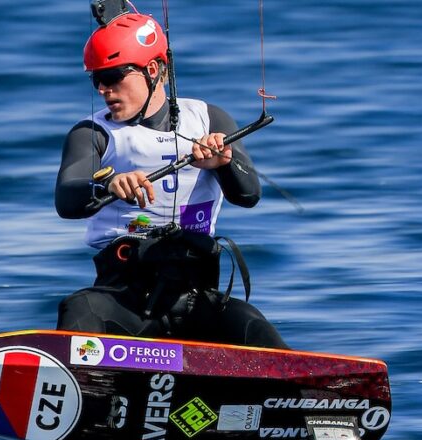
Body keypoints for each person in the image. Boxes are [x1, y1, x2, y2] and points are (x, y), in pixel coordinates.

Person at [54, 12, 287, 349]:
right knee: (79, 308)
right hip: (122, 299)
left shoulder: (208, 119)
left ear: (152, 70)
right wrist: (109, 184)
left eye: (112, 76)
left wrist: (224, 163)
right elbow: (66, 199)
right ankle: (76, 377)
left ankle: (316, 383)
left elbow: (249, 195)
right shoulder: (92, 132)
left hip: (196, 298)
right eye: (96, 80)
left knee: (251, 323)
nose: (103, 89)